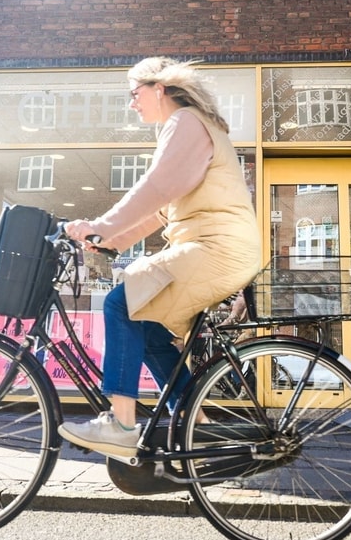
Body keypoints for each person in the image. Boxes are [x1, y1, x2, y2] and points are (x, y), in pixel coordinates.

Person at [58, 57, 261, 457]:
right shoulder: (193, 126)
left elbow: (156, 187)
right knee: (148, 326)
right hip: (220, 247)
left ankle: (120, 424)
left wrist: (101, 225)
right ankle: (195, 425)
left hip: (216, 247)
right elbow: (160, 209)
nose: (132, 104)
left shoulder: (185, 122)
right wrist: (108, 239)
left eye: (135, 94)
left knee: (120, 303)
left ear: (159, 89)